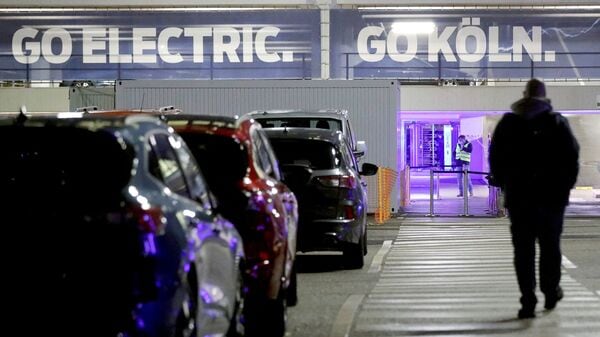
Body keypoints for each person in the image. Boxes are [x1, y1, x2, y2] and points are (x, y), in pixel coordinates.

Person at [489, 78, 579, 319]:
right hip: (552, 200)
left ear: (523, 95)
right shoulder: (557, 123)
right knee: (550, 248)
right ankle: (550, 291)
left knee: (524, 251)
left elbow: (495, 157)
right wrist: (563, 190)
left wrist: (504, 183)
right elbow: (572, 160)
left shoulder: (508, 124)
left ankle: (527, 300)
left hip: (520, 199)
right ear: (544, 97)